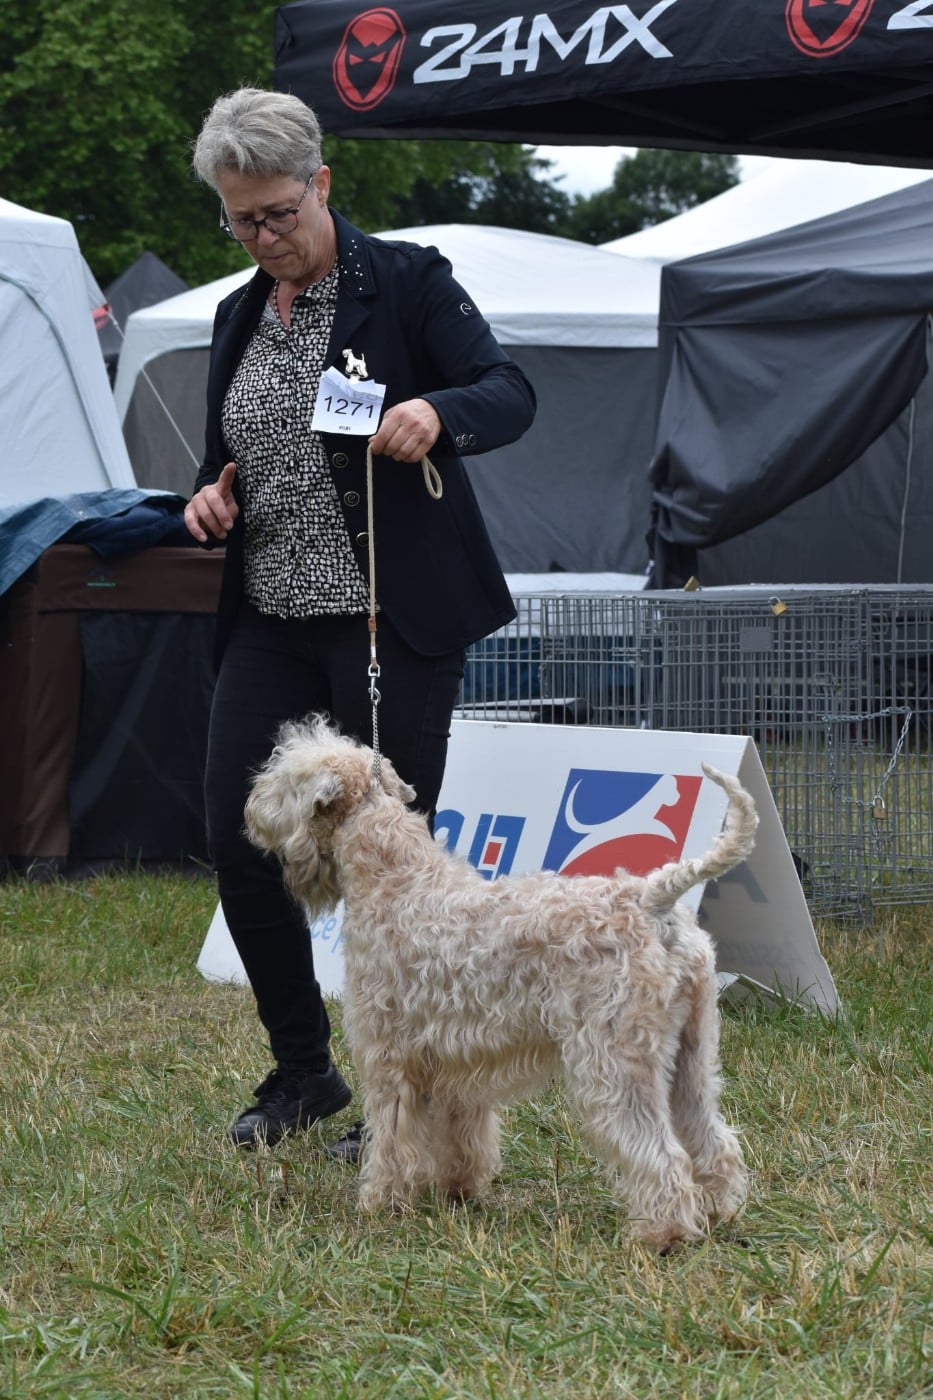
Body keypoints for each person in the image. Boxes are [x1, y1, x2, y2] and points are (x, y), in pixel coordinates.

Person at [185, 88, 536, 1154]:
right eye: (240, 219)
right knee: (240, 836)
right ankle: (306, 1070)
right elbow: (230, 458)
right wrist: (209, 497)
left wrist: (440, 412)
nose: (261, 237)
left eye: (278, 213)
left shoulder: (408, 283)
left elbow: (508, 388)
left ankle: (416, 1099)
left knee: (390, 871)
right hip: (273, 615)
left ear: (322, 185)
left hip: (392, 619)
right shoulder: (237, 314)